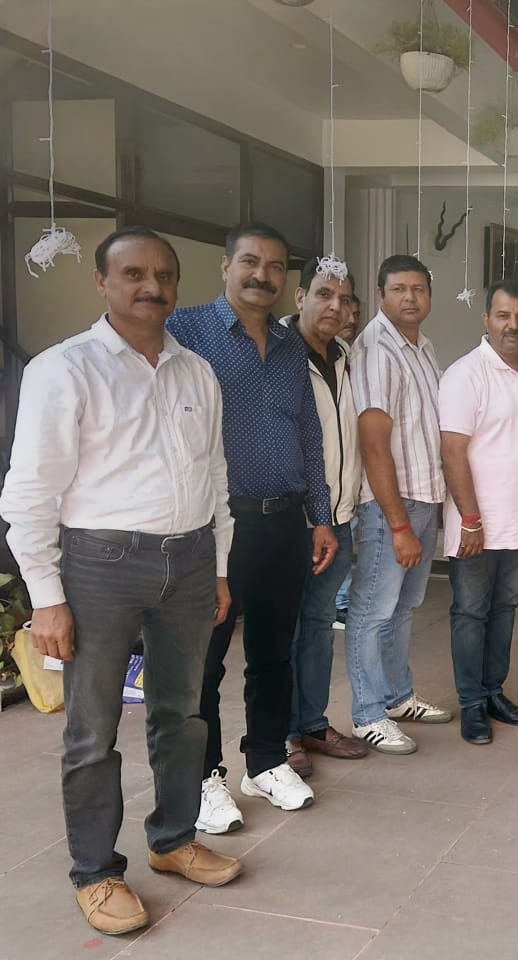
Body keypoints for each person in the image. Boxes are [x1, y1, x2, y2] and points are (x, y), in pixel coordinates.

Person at [0, 227, 242, 935]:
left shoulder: (196, 372)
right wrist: (47, 596)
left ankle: (173, 839)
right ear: (102, 283)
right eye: (133, 273)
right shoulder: (64, 369)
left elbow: (215, 476)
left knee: (183, 714)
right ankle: (96, 872)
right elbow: (30, 490)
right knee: (92, 728)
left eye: (163, 275)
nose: (151, 287)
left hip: (190, 561)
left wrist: (219, 567)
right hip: (99, 566)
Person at [168, 222, 336, 831]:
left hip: (284, 522)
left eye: (274, 266)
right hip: (216, 525)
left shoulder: (292, 346)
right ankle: (204, 776)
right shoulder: (184, 331)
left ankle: (264, 760)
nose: (262, 275)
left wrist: (320, 515)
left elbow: (309, 434)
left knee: (272, 653)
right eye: (249, 262)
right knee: (206, 659)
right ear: (225, 266)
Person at [345, 254, 454, 755]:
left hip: (425, 496)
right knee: (372, 610)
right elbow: (373, 444)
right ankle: (368, 713)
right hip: (393, 505)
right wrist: (398, 525)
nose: (410, 298)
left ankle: (397, 696)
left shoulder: (421, 346)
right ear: (381, 294)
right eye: (398, 289)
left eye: (418, 289)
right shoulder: (377, 350)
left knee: (404, 607)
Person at [440, 280, 518, 745]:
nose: (513, 325)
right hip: (476, 524)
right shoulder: (466, 374)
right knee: (470, 612)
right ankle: (471, 704)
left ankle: (493, 692)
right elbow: (452, 451)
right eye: (503, 315)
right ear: (486, 320)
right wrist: (470, 519)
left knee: (504, 610)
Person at [279, 259, 369, 778]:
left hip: (338, 518)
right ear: (300, 297)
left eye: (344, 297)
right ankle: (282, 734)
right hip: (291, 521)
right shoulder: (277, 353)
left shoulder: (346, 356)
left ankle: (312, 723)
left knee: (317, 625)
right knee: (284, 631)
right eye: (323, 294)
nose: (335, 306)